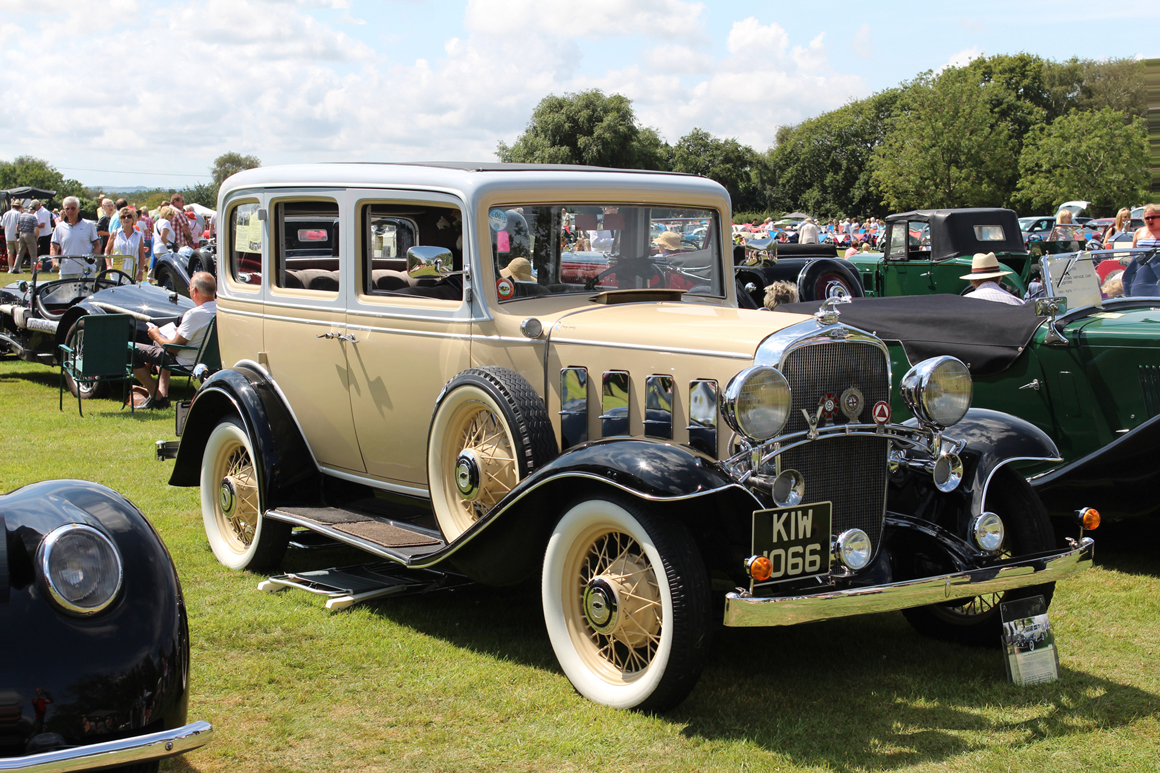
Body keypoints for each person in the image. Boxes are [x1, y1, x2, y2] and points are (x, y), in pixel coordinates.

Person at [131, 271, 217, 408]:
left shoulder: (194, 314)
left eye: (189, 288)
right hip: (211, 361)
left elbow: (172, 348)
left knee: (130, 350)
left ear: (195, 291)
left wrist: (156, 334)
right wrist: (179, 332)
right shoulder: (221, 309)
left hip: (186, 362)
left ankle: (157, 397)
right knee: (160, 342)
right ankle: (163, 393)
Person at [51, 196, 101, 278]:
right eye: (67, 208)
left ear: (78, 209)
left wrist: (92, 257)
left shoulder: (89, 225)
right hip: (66, 269)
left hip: (86, 270)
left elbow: (97, 244)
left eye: (73, 208)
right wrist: (54, 261)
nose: (70, 211)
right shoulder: (59, 227)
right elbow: (54, 247)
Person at [105, 206, 147, 281]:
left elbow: (141, 255)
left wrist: (140, 272)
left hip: (132, 270)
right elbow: (107, 251)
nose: (126, 218)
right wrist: (108, 265)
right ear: (120, 220)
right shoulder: (115, 233)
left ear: (133, 219)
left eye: (129, 216)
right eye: (123, 217)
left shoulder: (138, 235)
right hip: (116, 270)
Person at [16, 204, 40, 273]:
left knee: (20, 252)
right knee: (33, 254)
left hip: (21, 233)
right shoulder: (33, 217)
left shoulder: (21, 215)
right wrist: (36, 237)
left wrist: (19, 233)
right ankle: (33, 269)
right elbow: (36, 229)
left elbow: (17, 226)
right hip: (29, 234)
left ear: (28, 209)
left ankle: (16, 268)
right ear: (34, 211)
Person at [3, 201, 22, 273]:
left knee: (10, 253)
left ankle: (10, 268)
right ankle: (18, 268)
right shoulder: (18, 214)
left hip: (8, 235)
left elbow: (3, 225)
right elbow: (19, 225)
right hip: (17, 235)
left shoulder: (6, 214)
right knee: (19, 253)